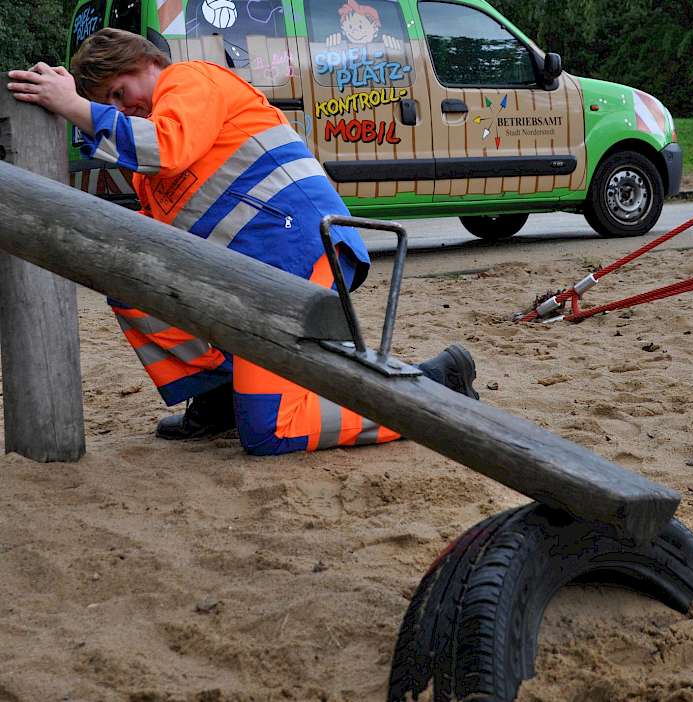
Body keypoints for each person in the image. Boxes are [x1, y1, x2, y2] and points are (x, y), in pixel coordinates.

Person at [7, 29, 479, 454]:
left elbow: (166, 146)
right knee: (130, 280)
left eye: (119, 93)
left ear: (148, 63)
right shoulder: (149, 165)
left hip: (297, 254)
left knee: (272, 431)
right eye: (110, 104)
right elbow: (153, 238)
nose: (122, 108)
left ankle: (433, 389)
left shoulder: (189, 80)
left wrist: (74, 106)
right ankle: (219, 397)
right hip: (251, 273)